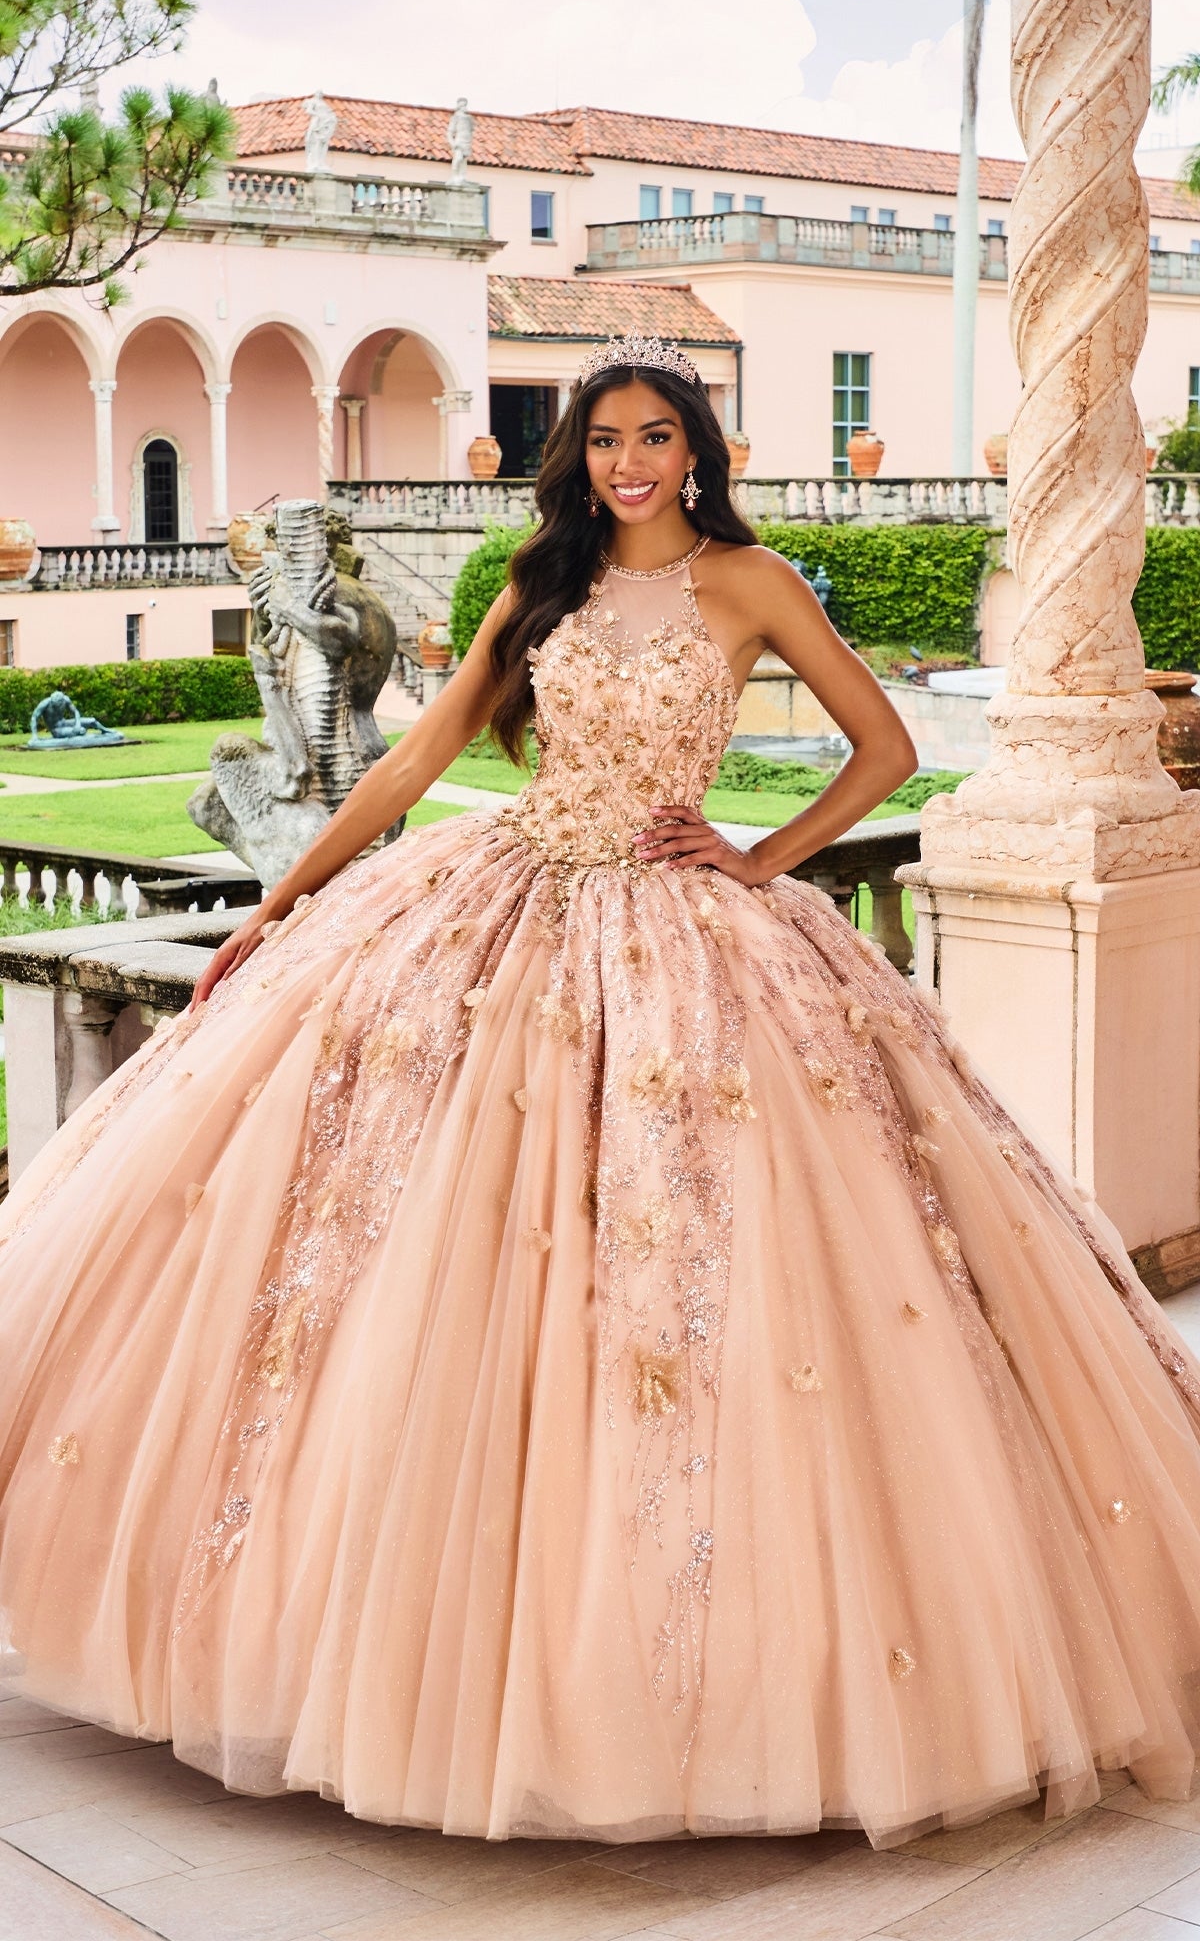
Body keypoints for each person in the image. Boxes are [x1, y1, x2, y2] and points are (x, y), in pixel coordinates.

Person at [3, 332, 1200, 1849]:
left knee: (698, 1262)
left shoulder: (753, 586)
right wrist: (282, 905)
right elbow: (415, 759)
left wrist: (761, 860)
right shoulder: (541, 579)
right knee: (402, 1236)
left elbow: (887, 746)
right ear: (582, 457)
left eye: (655, 436)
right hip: (495, 898)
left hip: (686, 921)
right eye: (606, 439)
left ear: (697, 448)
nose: (629, 462)